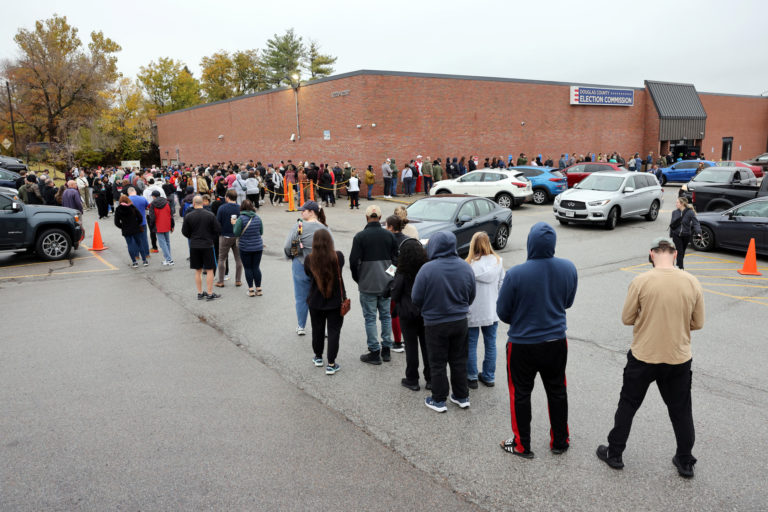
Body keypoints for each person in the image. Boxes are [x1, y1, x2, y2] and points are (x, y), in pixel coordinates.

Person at [597, 237, 705, 478]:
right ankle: (685, 460)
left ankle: (615, 453)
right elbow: (698, 323)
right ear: (675, 254)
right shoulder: (691, 282)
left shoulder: (641, 281)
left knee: (628, 404)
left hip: (644, 355)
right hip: (678, 357)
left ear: (651, 254)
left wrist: (647, 319)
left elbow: (627, 318)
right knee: (681, 410)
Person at [496, 222, 578, 458]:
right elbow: (568, 302)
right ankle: (560, 441)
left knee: (520, 393)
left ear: (530, 243)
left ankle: (521, 444)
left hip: (522, 343)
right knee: (557, 390)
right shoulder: (568, 268)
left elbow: (503, 312)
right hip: (555, 340)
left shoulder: (515, 274)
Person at [412, 231, 475, 412]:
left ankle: (439, 400)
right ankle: (462, 396)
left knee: (437, 362)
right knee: (459, 360)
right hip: (460, 321)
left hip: (435, 323)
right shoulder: (465, 267)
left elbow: (416, 297)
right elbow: (471, 295)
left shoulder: (427, 269)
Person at [350, 204, 398, 365]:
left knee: (370, 318)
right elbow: (396, 259)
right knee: (386, 316)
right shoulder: (389, 236)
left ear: (366, 217)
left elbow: (353, 261)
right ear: (380, 217)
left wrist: (359, 278)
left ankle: (374, 351)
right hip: (386, 283)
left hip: (367, 284)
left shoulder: (360, 237)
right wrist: (390, 275)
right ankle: (386, 349)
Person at [283, 201, 330, 336]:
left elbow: (288, 246)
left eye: (304, 210)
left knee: (301, 297)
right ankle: (323, 328)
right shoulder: (324, 228)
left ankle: (301, 326)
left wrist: (292, 256)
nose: (301, 212)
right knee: (321, 296)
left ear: (311, 212)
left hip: (301, 263)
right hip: (320, 265)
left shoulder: (299, 226)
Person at [465, 232, 505, 389]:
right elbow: (502, 285)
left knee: (471, 344)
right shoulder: (498, 262)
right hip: (491, 309)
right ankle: (489, 376)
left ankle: (472, 377)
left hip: (473, 310)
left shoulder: (469, 265)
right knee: (490, 344)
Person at [304, 229, 345, 375]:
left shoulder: (309, 259)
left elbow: (308, 274)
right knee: (334, 331)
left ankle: (318, 357)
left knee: (317, 329)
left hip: (315, 301)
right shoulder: (338, 256)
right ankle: (331, 364)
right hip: (335, 301)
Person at [391, 238, 430, 391]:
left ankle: (412, 379)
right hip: (425, 312)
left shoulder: (402, 271)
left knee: (411, 347)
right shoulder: (427, 268)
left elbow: (395, 294)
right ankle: (430, 378)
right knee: (427, 347)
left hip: (407, 313)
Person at [181, 195, 221, 301]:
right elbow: (217, 229)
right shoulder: (210, 215)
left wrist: (192, 237)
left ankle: (200, 292)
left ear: (193, 204)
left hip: (194, 244)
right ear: (203, 203)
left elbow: (184, 232)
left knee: (198, 270)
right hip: (207, 244)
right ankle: (210, 293)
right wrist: (210, 237)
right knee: (210, 269)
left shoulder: (189, 216)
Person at [385, 215, 409, 353]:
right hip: (407, 278)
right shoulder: (407, 240)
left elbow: (393, 262)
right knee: (403, 310)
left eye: (386, 225)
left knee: (393, 312)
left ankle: (398, 342)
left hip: (395, 279)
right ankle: (405, 339)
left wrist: (389, 273)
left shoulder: (389, 240)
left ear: (391, 227)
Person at [233, 199, 264, 297]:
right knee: (256, 267)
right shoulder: (257, 218)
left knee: (248, 268)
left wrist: (234, 224)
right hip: (258, 246)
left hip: (245, 247)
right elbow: (261, 232)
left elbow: (236, 233)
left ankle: (251, 290)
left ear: (241, 207)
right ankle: (259, 288)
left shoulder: (240, 219)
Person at [215, 189, 244, 288]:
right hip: (237, 236)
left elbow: (218, 222)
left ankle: (221, 281)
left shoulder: (222, 208)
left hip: (225, 235)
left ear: (227, 197)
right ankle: (238, 280)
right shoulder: (240, 208)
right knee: (238, 259)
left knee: (221, 258)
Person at [669, 197, 701, 271]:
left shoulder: (690, 212)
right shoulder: (674, 212)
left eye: (677, 202)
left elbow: (696, 223)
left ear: (682, 204)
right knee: (679, 251)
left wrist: (698, 233)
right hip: (676, 235)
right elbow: (672, 224)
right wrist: (671, 234)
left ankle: (678, 264)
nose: (676, 204)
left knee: (682, 252)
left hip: (686, 235)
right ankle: (680, 267)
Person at [114, 194, 146, 268]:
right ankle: (144, 260)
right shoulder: (132, 207)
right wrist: (137, 224)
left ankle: (134, 262)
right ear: (128, 200)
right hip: (135, 228)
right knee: (139, 243)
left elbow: (116, 222)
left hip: (126, 229)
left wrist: (122, 226)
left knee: (130, 245)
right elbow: (140, 217)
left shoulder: (118, 209)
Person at [148, 190, 175, 265]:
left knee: (162, 243)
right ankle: (169, 258)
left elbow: (152, 217)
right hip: (167, 224)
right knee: (167, 242)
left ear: (154, 196)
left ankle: (168, 259)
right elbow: (171, 215)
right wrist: (172, 225)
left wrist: (151, 226)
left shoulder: (152, 204)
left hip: (158, 225)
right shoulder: (167, 202)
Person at [127, 187, 151, 262]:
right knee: (144, 238)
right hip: (142, 222)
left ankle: (136, 255)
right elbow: (147, 207)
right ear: (135, 192)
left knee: (134, 239)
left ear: (128, 193)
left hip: (132, 223)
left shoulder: (127, 200)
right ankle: (146, 254)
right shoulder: (142, 198)